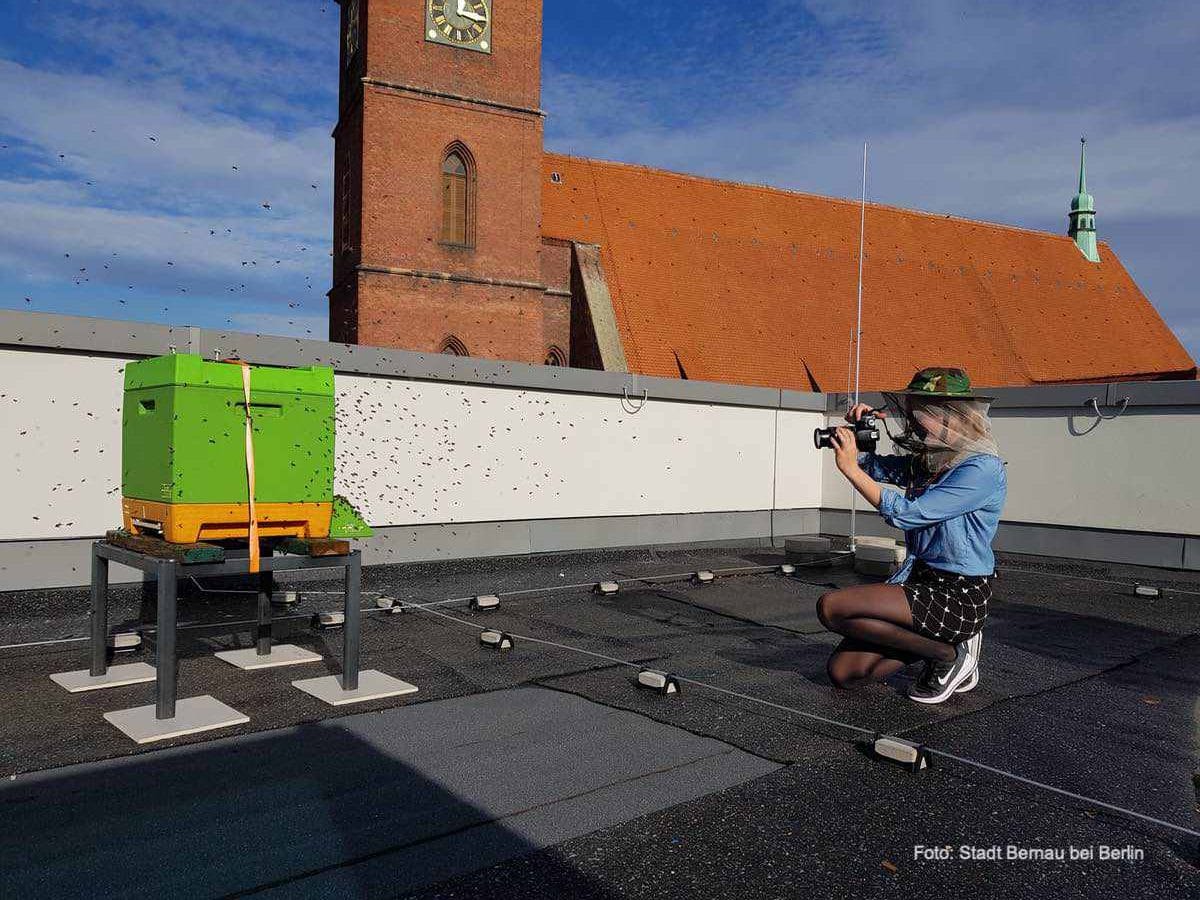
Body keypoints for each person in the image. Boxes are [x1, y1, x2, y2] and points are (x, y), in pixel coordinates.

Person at [816, 367, 1007, 704]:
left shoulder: (981, 470)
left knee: (833, 608)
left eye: (922, 413)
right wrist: (861, 434)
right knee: (845, 673)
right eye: (912, 412)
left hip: (959, 591)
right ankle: (938, 647)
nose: (913, 423)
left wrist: (848, 469)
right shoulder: (932, 459)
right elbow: (876, 467)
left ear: (955, 416)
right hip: (919, 580)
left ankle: (949, 656)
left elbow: (907, 514)